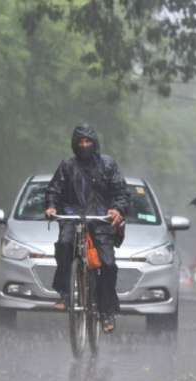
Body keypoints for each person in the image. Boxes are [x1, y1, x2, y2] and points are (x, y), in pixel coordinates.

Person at [44, 124, 130, 333]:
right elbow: (53, 190)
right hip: (72, 216)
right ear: (75, 144)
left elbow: (121, 192)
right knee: (64, 245)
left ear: (94, 142)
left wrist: (117, 210)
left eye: (87, 141)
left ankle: (106, 312)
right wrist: (51, 206)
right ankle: (65, 293)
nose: (84, 145)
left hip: (101, 219)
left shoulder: (108, 165)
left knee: (108, 265)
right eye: (80, 142)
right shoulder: (67, 166)